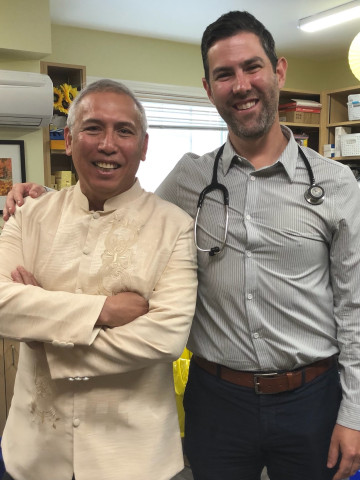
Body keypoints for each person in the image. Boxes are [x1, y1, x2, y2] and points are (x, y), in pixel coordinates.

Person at [4, 10, 360, 480]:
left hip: (310, 396)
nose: (241, 84)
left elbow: (354, 307)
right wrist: (48, 200)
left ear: (279, 71)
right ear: (209, 88)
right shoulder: (189, 180)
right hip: (218, 400)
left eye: (253, 67)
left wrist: (353, 414)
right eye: (224, 74)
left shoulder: (336, 184)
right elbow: (118, 201)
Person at [0, 79, 198, 480]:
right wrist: (104, 311)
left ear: (143, 147)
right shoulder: (27, 214)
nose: (108, 144)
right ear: (69, 139)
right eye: (93, 128)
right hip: (33, 453)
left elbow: (165, 337)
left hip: (133, 459)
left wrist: (42, 332)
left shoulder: (174, 227)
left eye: (124, 130)